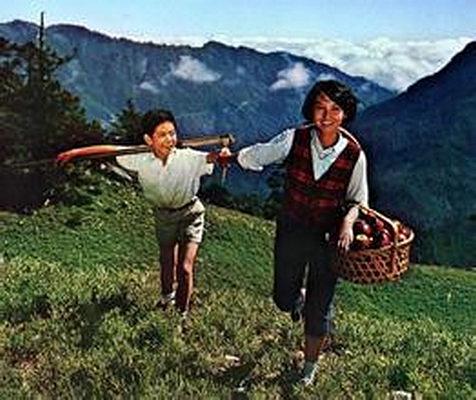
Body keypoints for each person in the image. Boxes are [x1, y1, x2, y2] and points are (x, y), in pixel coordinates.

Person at [227, 80, 368, 385]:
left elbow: (358, 200)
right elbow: (260, 154)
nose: (326, 116)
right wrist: (232, 157)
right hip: (292, 228)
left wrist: (347, 223)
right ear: (310, 110)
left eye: (335, 109)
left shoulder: (355, 155)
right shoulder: (295, 138)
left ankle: (308, 371)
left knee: (320, 307)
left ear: (345, 114)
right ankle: (296, 299)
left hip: (328, 238)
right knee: (282, 298)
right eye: (320, 108)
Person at [57, 109, 229, 317]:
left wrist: (223, 155)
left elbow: (213, 158)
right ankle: (166, 298)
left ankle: (180, 315)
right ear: (149, 139)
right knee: (167, 261)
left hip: (190, 214)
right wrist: (75, 153)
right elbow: (109, 150)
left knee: (184, 268)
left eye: (172, 133)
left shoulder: (188, 158)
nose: (170, 139)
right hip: (163, 216)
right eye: (162, 135)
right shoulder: (138, 158)